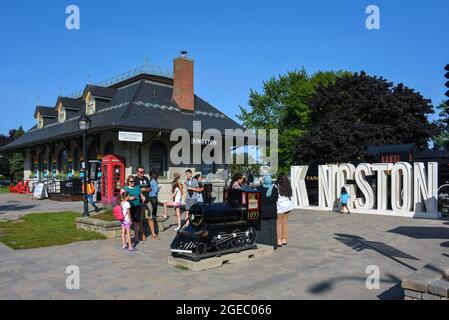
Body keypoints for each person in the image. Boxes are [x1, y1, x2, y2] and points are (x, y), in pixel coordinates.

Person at [134, 167, 159, 241]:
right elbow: (134, 189)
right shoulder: (135, 179)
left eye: (143, 171)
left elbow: (150, 188)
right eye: (140, 172)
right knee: (141, 219)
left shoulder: (146, 178)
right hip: (139, 201)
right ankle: (142, 234)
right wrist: (140, 190)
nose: (142, 173)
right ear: (137, 172)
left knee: (150, 217)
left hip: (147, 201)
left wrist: (146, 189)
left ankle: (153, 234)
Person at [255, 175, 279, 249]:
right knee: (272, 229)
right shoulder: (274, 189)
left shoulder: (259, 188)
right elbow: (275, 199)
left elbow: (256, 199)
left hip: (262, 211)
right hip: (272, 211)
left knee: (263, 228)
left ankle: (264, 243)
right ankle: (273, 244)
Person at [122, 175, 142, 246]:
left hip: (137, 206)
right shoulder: (125, 188)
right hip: (129, 207)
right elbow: (121, 198)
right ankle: (128, 239)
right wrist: (129, 198)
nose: (133, 182)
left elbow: (141, 195)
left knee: (136, 222)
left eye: (134, 181)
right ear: (128, 182)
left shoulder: (137, 187)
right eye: (131, 181)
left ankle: (136, 238)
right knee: (128, 223)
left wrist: (143, 197)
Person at [276, 173, 293, 247]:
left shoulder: (277, 187)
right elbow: (290, 196)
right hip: (288, 206)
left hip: (280, 207)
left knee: (279, 224)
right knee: (285, 223)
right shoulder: (288, 187)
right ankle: (284, 239)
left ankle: (279, 240)